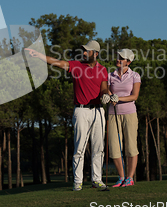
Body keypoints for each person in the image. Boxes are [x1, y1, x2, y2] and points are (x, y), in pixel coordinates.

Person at [25, 40, 109, 191]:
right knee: (79, 148)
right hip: (81, 111)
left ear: (95, 53)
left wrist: (108, 95)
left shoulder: (102, 69)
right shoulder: (76, 66)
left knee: (98, 148)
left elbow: (104, 88)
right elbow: (57, 62)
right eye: (83, 50)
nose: (84, 53)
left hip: (98, 111)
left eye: (87, 51)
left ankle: (97, 180)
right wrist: (38, 55)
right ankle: (78, 181)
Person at [107, 49, 141, 187]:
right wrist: (109, 96)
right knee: (114, 147)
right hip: (113, 114)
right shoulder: (110, 75)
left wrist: (118, 98)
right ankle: (121, 177)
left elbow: (134, 96)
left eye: (122, 58)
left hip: (130, 114)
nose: (118, 59)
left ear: (129, 62)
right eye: (118, 57)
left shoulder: (135, 75)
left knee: (131, 147)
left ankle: (130, 178)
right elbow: (108, 90)